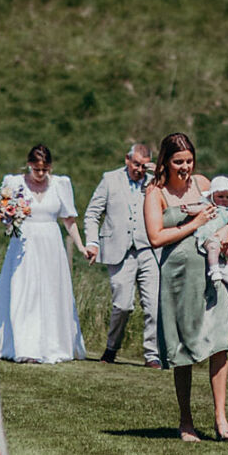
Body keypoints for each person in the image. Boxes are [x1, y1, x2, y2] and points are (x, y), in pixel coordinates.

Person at [144, 133, 228, 441]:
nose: (184, 167)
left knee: (220, 341)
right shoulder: (155, 192)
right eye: (178, 162)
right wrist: (193, 226)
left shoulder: (204, 184)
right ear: (165, 162)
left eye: (189, 161)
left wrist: (225, 229)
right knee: (183, 348)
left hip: (213, 275)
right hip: (179, 278)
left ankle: (221, 418)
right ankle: (185, 421)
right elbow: (155, 237)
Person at [0, 144, 87, 363]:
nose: (41, 174)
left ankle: (53, 344)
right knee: (25, 292)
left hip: (51, 246)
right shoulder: (14, 183)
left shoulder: (61, 184)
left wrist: (81, 246)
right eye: (36, 169)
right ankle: (26, 346)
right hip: (24, 245)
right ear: (29, 165)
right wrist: (4, 214)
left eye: (45, 170)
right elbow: (1, 211)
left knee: (51, 294)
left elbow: (69, 219)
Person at [83, 141, 160, 367]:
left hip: (148, 249)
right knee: (123, 305)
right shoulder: (110, 179)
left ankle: (152, 354)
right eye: (136, 164)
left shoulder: (154, 183)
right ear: (127, 159)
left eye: (144, 166)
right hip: (119, 250)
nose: (139, 169)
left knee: (154, 304)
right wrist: (92, 242)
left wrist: (160, 176)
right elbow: (92, 213)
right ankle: (111, 348)